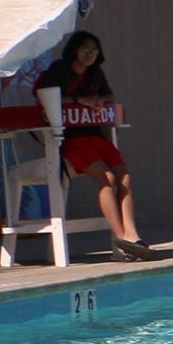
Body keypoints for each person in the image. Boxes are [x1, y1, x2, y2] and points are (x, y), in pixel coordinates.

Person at [36, 31, 151, 261]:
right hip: (71, 140)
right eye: (85, 48)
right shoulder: (59, 69)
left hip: (95, 135)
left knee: (124, 178)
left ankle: (132, 235)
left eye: (94, 50)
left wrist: (100, 100)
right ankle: (121, 241)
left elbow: (110, 94)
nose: (90, 54)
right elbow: (45, 96)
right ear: (74, 50)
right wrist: (80, 100)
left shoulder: (95, 72)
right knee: (106, 178)